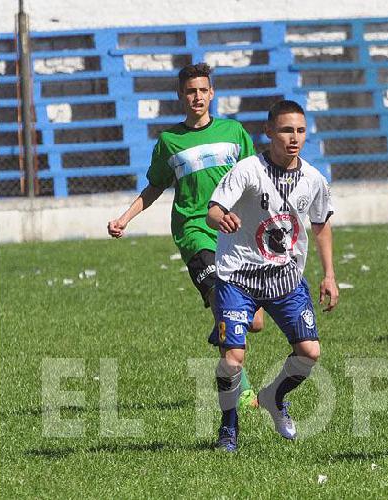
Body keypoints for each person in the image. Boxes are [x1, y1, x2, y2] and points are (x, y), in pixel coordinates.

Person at [106, 62, 266, 408]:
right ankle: (244, 389)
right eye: (190, 91)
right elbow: (154, 188)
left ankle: (220, 326)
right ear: (181, 95)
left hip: (236, 232)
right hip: (195, 231)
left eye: (203, 90)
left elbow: (256, 182)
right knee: (225, 303)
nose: (197, 97)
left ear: (212, 93)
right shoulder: (169, 142)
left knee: (255, 322)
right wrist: (125, 218)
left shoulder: (234, 133)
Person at [205, 99, 338, 452]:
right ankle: (228, 428)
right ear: (268, 132)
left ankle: (273, 397)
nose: (293, 138)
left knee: (309, 353)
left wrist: (329, 275)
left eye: (300, 130)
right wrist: (222, 218)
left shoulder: (313, 179)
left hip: (285, 278)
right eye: (285, 130)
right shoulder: (248, 170)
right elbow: (214, 210)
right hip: (238, 276)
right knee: (233, 359)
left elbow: (321, 226)